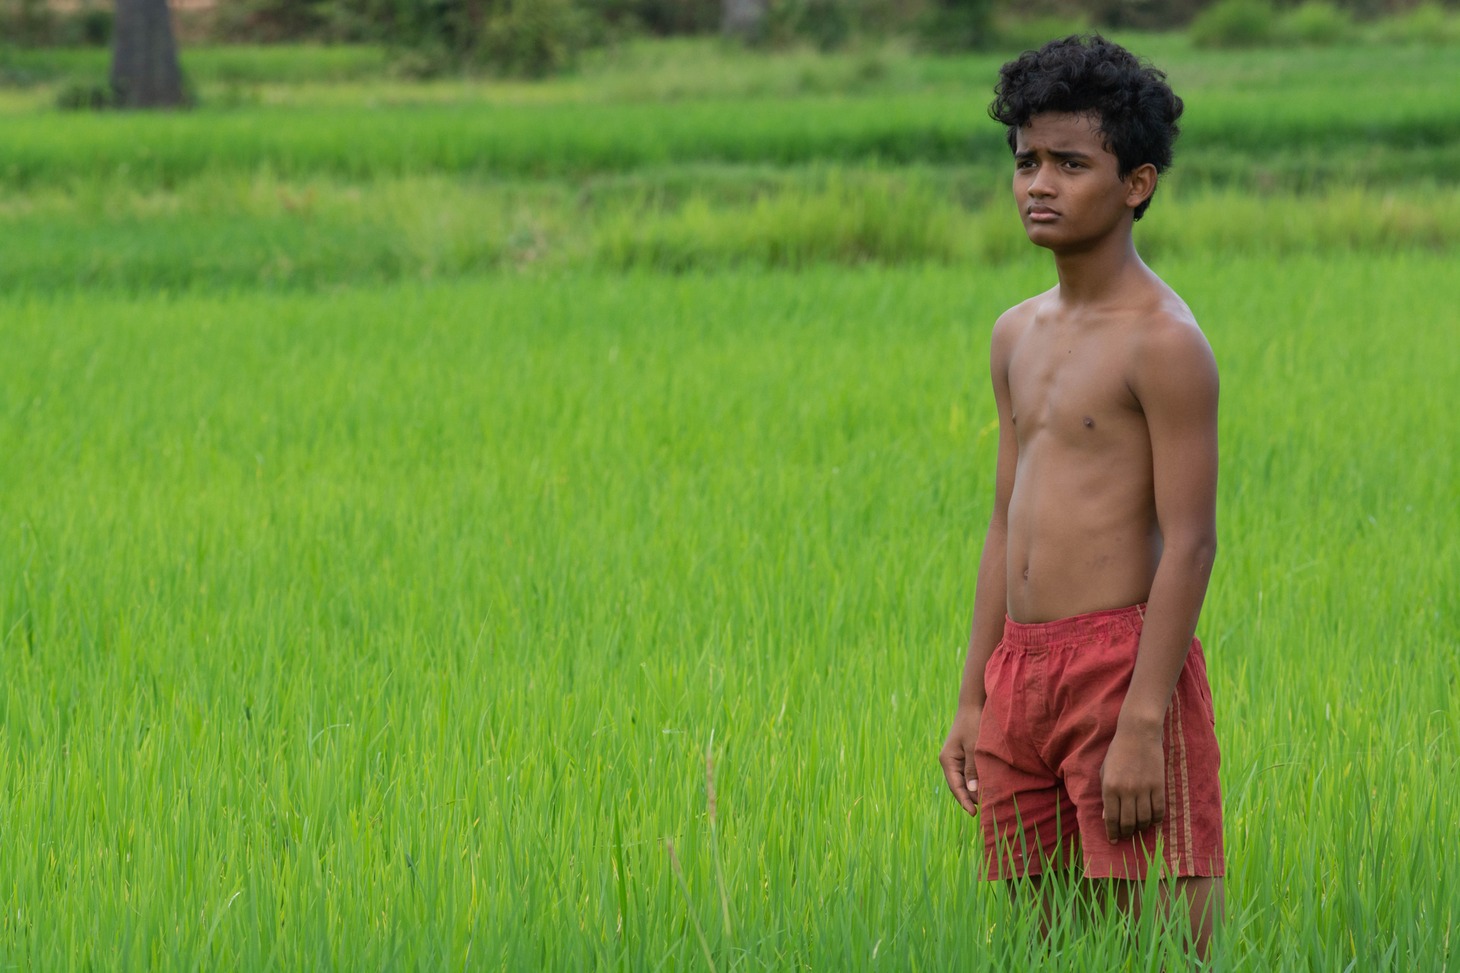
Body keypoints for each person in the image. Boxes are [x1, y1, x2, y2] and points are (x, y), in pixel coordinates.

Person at [937, 35, 1225, 955]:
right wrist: (976, 694)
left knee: (1168, 936)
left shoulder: (1164, 342)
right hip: (1020, 670)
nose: (1038, 184)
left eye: (1071, 162)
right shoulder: (1013, 334)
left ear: (1135, 183)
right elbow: (1003, 520)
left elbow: (1190, 545)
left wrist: (1144, 719)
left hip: (1122, 666)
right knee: (1047, 943)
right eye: (1025, 162)